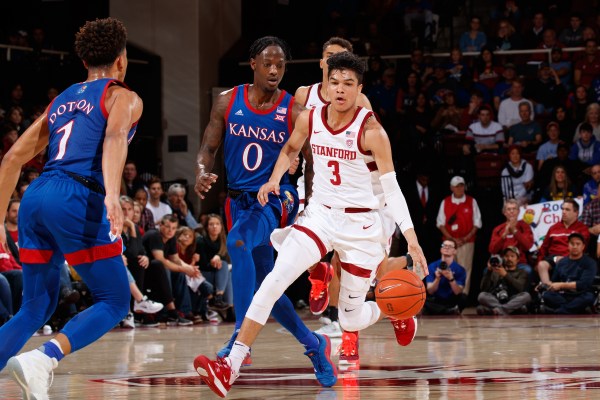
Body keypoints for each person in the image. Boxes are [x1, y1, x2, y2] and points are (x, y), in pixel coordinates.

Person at [194, 50, 428, 397]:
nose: (340, 89)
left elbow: (393, 190)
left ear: (359, 88)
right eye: (334, 82)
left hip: (361, 227)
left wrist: (412, 240)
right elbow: (290, 149)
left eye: (348, 84)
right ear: (326, 83)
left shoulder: (373, 132)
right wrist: (274, 180)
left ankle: (393, 310)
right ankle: (231, 365)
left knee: (349, 318)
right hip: (320, 215)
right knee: (272, 282)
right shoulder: (310, 117)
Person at [0, 18, 143, 399]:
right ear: (121, 60)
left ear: (84, 62)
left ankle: (30, 358)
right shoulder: (122, 96)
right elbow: (114, 137)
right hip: (77, 197)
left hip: (35, 195)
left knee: (35, 307)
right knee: (115, 300)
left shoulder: (62, 98)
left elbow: (13, 158)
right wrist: (113, 194)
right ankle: (43, 358)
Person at [193, 36, 330, 376]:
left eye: (280, 65)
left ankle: (242, 339)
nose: (274, 70)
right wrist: (200, 172)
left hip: (272, 199)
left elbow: (312, 161)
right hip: (236, 200)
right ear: (252, 63)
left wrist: (309, 202)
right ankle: (314, 345)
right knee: (265, 286)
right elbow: (208, 148)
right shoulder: (228, 102)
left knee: (238, 243)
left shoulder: (294, 111)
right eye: (267, 64)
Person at [436, 176, 482, 294]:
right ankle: (448, 297)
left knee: (465, 269)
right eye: (457, 186)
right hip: (449, 243)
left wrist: (465, 239)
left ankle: (463, 297)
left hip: (467, 242)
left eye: (461, 185)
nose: (460, 188)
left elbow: (477, 223)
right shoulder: (445, 202)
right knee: (447, 268)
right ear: (452, 188)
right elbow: (440, 223)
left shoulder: (472, 201)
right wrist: (452, 240)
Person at [536, 199, 589, 287]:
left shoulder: (582, 229)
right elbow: (544, 248)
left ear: (576, 213)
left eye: (567, 210)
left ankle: (555, 288)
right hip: (553, 257)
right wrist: (538, 261)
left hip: (572, 258)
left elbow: (582, 247)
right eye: (563, 209)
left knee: (562, 261)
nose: (563, 212)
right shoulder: (553, 228)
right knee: (541, 265)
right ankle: (548, 287)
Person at [539, 233, 597, 314]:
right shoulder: (561, 262)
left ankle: (559, 311)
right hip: (564, 295)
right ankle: (576, 309)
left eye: (578, 244)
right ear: (568, 245)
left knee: (588, 297)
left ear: (583, 246)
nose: (575, 246)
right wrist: (544, 285)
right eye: (572, 244)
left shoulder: (590, 263)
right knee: (547, 295)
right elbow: (554, 281)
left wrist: (562, 285)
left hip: (580, 294)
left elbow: (584, 284)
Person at [477, 246, 531, 315]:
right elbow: (483, 288)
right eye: (506, 256)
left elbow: (520, 287)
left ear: (517, 259)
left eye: (512, 256)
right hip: (496, 299)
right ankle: (507, 310)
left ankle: (497, 310)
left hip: (512, 299)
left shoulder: (522, 272)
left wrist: (505, 274)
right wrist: (489, 271)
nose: (509, 258)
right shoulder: (496, 271)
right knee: (481, 296)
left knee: (526, 296)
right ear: (503, 258)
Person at [488, 199, 534, 276]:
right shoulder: (498, 229)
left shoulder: (525, 226)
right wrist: (504, 235)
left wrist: (515, 231)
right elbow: (492, 250)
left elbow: (528, 246)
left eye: (514, 209)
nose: (512, 211)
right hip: (502, 263)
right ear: (504, 212)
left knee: (528, 270)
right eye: (509, 209)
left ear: (518, 211)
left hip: (520, 263)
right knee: (487, 271)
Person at [424, 239, 468, 315]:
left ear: (455, 251)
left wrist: (451, 279)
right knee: (423, 299)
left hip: (451, 299)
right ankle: (448, 311)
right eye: (444, 246)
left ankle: (442, 310)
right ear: (441, 249)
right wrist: (437, 278)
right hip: (436, 299)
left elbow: (458, 292)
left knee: (464, 297)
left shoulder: (460, 269)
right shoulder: (432, 266)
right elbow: (430, 290)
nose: (446, 248)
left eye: (450, 246)